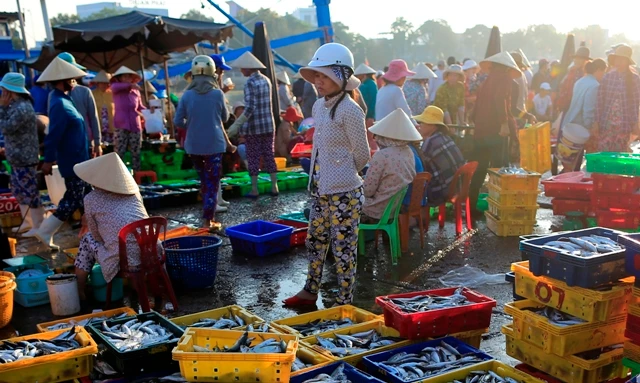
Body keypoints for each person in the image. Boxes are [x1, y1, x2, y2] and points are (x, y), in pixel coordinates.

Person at [283, 43, 369, 307]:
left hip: (346, 192)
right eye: (316, 76)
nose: (318, 81)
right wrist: (326, 177)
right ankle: (310, 291)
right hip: (320, 189)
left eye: (324, 76)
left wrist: (343, 174)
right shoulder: (319, 107)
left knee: (343, 249)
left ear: (341, 77)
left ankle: (344, 301)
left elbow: (363, 154)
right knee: (315, 240)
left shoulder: (351, 110)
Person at [72, 153, 157, 300]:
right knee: (126, 240)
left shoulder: (91, 198)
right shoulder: (134, 192)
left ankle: (79, 290)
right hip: (151, 251)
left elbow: (96, 235)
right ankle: (136, 288)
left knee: (87, 240)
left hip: (123, 259)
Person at [34, 57, 92, 250]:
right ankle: (45, 230)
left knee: (88, 198)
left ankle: (93, 235)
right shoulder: (58, 103)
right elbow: (54, 135)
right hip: (72, 160)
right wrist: (48, 160)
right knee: (73, 199)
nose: (75, 81)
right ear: (62, 80)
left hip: (80, 159)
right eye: (72, 78)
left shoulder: (64, 99)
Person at [469, 52, 534, 213]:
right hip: (496, 132)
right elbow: (500, 100)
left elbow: (476, 108)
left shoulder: (487, 80)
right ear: (508, 68)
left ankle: (471, 208)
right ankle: (496, 210)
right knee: (499, 172)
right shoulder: (504, 79)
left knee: (479, 170)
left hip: (481, 132)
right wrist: (504, 124)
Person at [174, 55, 234, 228]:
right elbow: (225, 117)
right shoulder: (217, 94)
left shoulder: (186, 96)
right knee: (212, 182)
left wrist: (192, 124)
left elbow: (178, 121)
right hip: (214, 144)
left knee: (203, 180)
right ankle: (208, 220)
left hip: (193, 145)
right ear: (212, 75)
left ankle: (207, 217)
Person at [227, 51, 279, 198]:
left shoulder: (250, 83)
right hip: (269, 125)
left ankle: (255, 189)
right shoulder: (266, 80)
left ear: (248, 68)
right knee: (269, 155)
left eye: (242, 68)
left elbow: (250, 108)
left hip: (255, 128)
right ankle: (274, 187)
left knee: (253, 156)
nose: (241, 70)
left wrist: (237, 125)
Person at [0, 73, 44, 237]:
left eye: (3, 90)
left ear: (10, 91)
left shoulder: (22, 108)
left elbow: (5, 128)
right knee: (20, 191)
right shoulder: (17, 105)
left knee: (30, 191)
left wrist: (2, 108)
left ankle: (37, 225)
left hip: (25, 158)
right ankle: (28, 223)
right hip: (18, 157)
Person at [362, 109, 420, 222]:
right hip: (395, 208)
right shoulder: (408, 151)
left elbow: (368, 191)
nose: (376, 140)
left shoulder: (382, 155)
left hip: (377, 209)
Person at [561, 59, 607, 170]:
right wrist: (590, 127)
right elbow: (588, 109)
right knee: (581, 161)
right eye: (603, 72)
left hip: (570, 123)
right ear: (598, 70)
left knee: (569, 160)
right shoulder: (595, 85)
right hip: (581, 127)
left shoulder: (580, 81)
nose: (603, 75)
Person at [414, 106, 465, 206]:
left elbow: (421, 169)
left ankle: (417, 219)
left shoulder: (430, 142)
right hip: (458, 187)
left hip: (443, 191)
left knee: (413, 184)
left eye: (422, 123)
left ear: (433, 126)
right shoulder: (445, 137)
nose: (419, 126)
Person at [54, 53, 102, 158]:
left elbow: (93, 117)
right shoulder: (54, 95)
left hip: (86, 141)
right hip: (66, 143)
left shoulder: (84, 91)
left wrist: (98, 143)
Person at [596, 44, 640, 152]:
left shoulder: (634, 79)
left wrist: (635, 123)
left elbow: (635, 104)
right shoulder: (608, 77)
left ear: (627, 61)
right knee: (604, 154)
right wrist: (596, 122)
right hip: (606, 123)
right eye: (617, 59)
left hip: (624, 125)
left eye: (622, 59)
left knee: (619, 156)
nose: (619, 62)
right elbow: (599, 101)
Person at [111, 66, 145, 171]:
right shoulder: (116, 88)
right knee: (119, 151)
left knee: (136, 152)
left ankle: (137, 175)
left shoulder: (136, 92)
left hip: (135, 125)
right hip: (121, 124)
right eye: (124, 77)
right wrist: (130, 85)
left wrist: (151, 110)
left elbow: (140, 107)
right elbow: (114, 87)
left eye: (128, 77)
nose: (126, 78)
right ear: (119, 78)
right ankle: (118, 174)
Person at [556, 47, 591, 119]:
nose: (576, 60)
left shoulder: (588, 74)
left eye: (580, 58)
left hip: (579, 109)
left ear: (586, 60)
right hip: (568, 106)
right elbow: (563, 87)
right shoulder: (571, 71)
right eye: (576, 58)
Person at [90, 71, 115, 145]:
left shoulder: (113, 94)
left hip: (111, 128)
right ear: (98, 83)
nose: (105, 85)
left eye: (107, 83)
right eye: (102, 83)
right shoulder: (92, 94)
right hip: (98, 128)